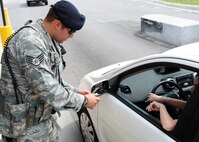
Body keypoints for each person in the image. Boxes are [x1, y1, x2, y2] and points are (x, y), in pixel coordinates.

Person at [0, 0, 100, 141]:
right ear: (58, 24)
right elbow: (47, 89)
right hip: (23, 131)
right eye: (71, 31)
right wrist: (82, 101)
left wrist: (74, 91)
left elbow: (51, 78)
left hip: (40, 123)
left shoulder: (47, 38)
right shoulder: (30, 42)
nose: (72, 36)